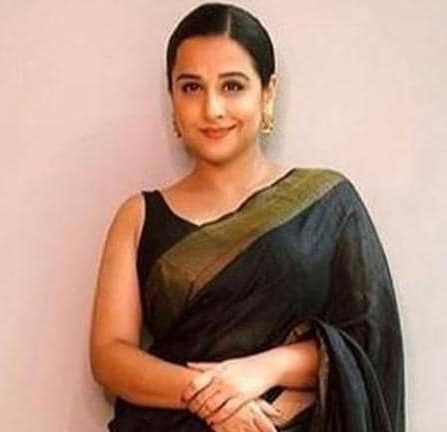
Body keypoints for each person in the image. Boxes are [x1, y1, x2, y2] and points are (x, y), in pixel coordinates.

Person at [89, 3, 405, 431]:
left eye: (233, 86)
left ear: (268, 93)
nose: (212, 108)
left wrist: (267, 367)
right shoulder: (139, 216)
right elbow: (110, 356)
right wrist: (212, 397)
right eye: (191, 87)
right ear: (172, 97)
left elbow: (369, 341)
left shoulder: (328, 204)